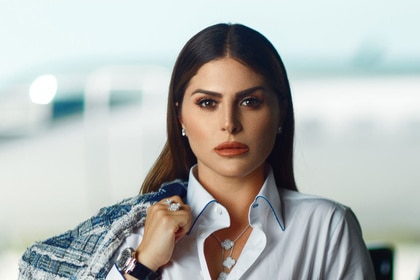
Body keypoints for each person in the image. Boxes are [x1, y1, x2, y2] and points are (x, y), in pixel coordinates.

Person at [18, 23, 375, 279]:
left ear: (280, 113)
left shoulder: (327, 227)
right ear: (180, 117)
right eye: (207, 103)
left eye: (250, 102)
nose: (229, 123)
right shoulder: (134, 236)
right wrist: (140, 267)